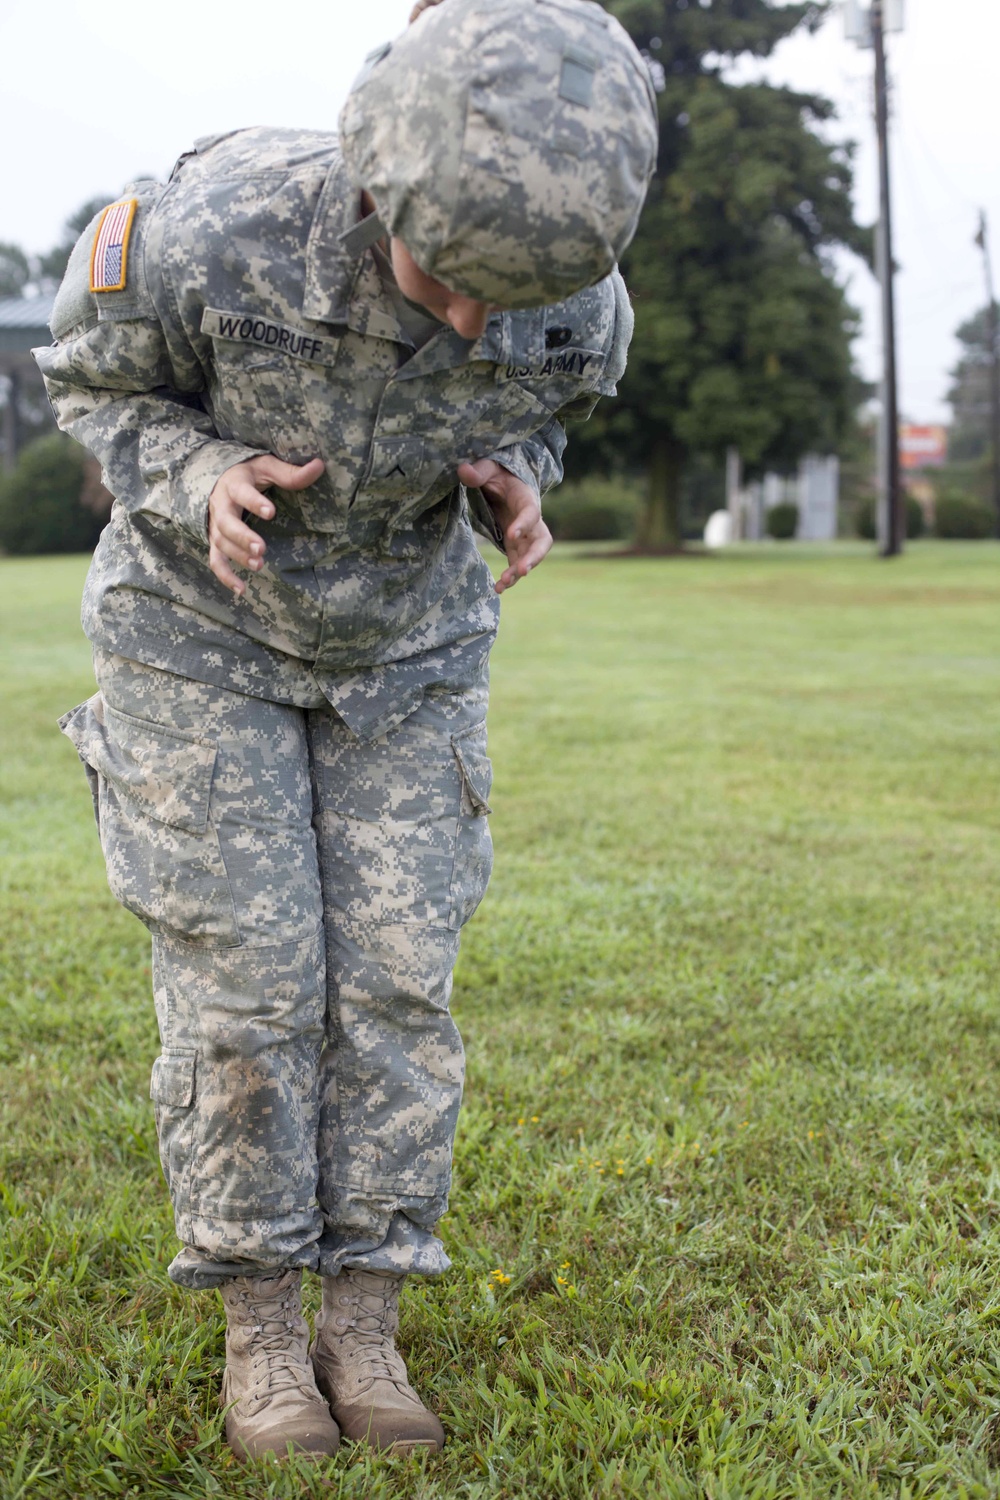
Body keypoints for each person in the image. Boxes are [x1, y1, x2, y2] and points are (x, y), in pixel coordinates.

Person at [37, 0, 657, 1463]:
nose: (469, 323)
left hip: (408, 648)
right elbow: (90, 380)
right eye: (447, 277)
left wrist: (512, 468)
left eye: (512, 300)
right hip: (203, 637)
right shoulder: (204, 227)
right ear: (378, 183)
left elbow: (556, 397)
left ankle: (364, 1319)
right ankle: (261, 1329)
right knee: (254, 987)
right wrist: (198, 472)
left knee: (395, 987)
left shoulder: (579, 291)